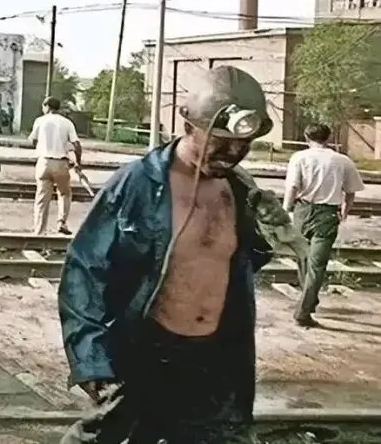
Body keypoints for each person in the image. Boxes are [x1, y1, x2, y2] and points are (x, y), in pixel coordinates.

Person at [58, 66, 276, 443]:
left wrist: (269, 234)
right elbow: (84, 270)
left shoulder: (240, 190)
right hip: (144, 350)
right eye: (221, 142)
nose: (233, 153)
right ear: (188, 126)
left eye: (243, 144)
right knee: (103, 436)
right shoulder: (139, 184)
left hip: (214, 359)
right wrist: (90, 356)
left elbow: (235, 265)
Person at [283, 123, 364, 327]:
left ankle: (305, 306)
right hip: (327, 214)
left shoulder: (299, 157)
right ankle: (306, 306)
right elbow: (351, 192)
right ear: (328, 138)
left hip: (303, 210)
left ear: (306, 137)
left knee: (303, 258)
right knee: (317, 264)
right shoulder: (342, 160)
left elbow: (292, 187)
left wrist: (286, 210)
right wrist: (344, 212)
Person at [29, 96, 81, 235]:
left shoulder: (40, 121)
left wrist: (41, 146)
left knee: (42, 198)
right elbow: (76, 145)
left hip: (43, 162)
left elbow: (33, 140)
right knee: (64, 193)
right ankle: (61, 222)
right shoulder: (67, 123)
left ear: (47, 106)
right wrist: (78, 162)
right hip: (61, 163)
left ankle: (39, 231)